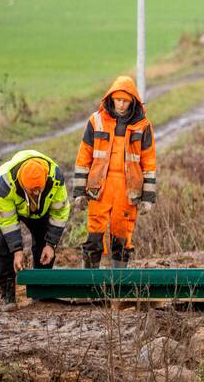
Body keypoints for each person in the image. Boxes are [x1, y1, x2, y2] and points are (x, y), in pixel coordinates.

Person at [71, 75, 157, 268]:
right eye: (118, 100)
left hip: (127, 191)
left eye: (125, 101)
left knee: (122, 236)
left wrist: (148, 198)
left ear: (132, 102)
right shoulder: (96, 121)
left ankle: (118, 283)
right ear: (111, 99)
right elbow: (83, 158)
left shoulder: (143, 126)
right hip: (99, 189)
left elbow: (149, 163)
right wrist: (78, 193)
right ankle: (90, 283)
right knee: (94, 235)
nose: (121, 105)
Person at [0, 150, 70, 311]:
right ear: (23, 184)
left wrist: (51, 244)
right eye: (32, 191)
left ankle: (40, 289)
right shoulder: (5, 184)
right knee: (4, 243)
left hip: (39, 208)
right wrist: (17, 250)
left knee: (43, 239)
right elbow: (8, 222)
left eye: (39, 189)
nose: (36, 193)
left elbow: (60, 212)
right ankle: (7, 292)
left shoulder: (55, 178)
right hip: (3, 200)